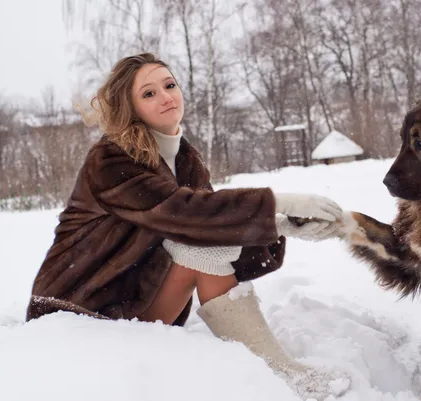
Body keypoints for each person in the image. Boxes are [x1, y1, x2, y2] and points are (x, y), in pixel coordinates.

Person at [25, 53, 348, 400]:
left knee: (201, 245)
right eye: (148, 93)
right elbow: (184, 213)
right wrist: (277, 203)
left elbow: (214, 226)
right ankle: (277, 373)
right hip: (81, 311)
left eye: (169, 85)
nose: (165, 96)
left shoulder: (184, 157)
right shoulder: (111, 158)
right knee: (197, 248)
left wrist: (283, 225)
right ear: (130, 107)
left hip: (133, 298)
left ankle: (271, 369)